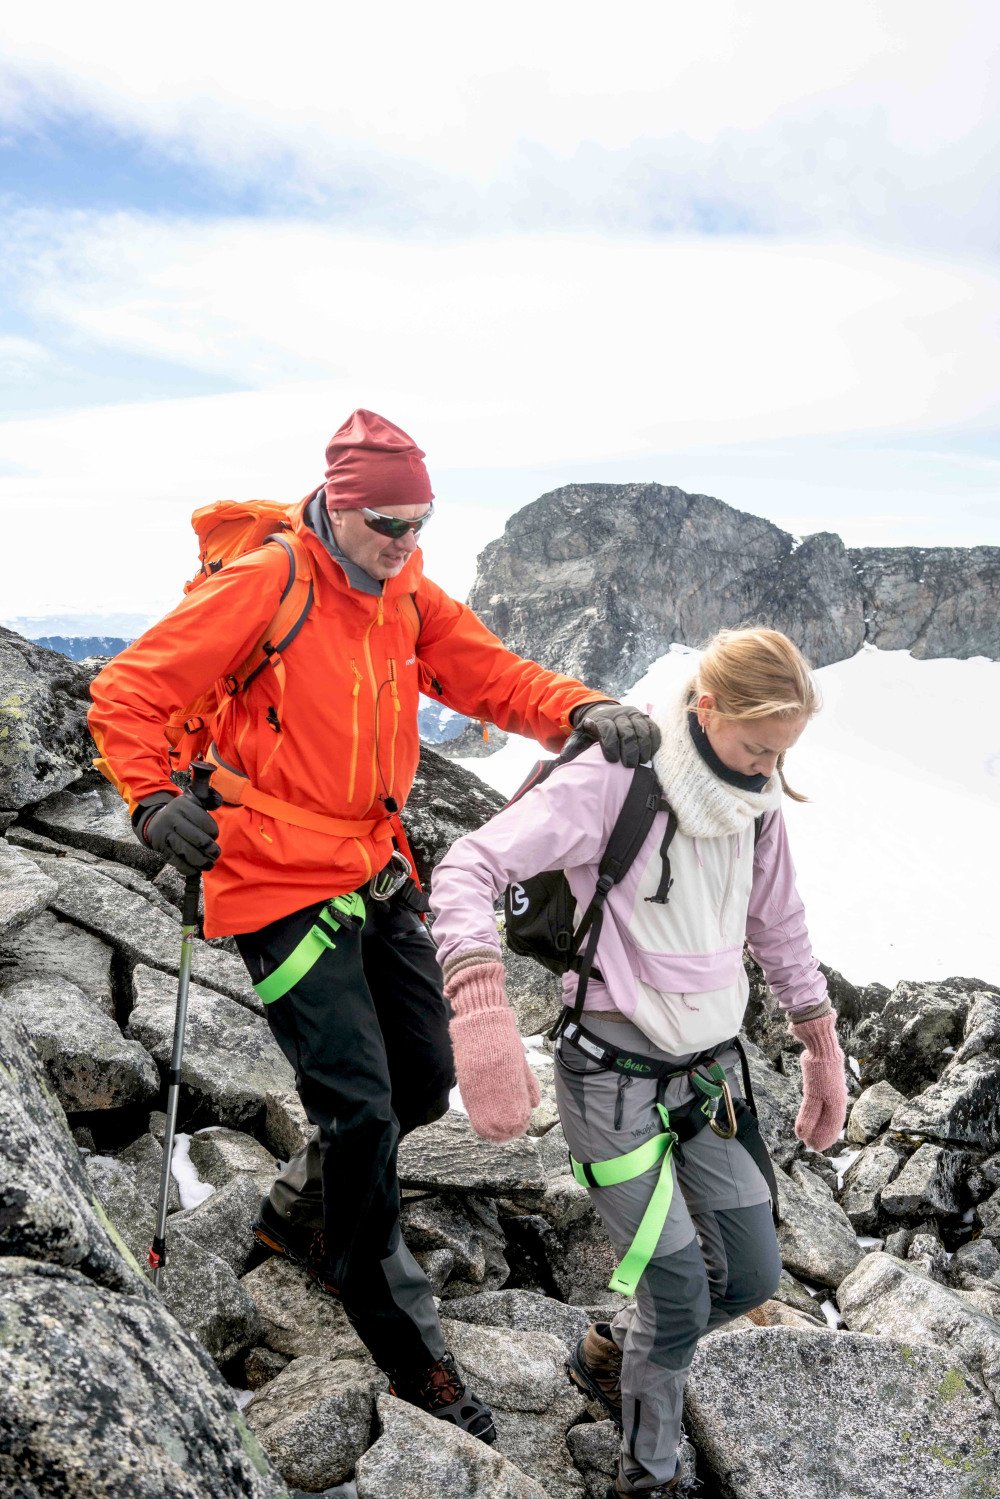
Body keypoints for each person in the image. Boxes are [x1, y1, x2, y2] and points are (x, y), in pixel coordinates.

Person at [88, 408, 659, 1444]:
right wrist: (145, 798)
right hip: (268, 870)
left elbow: (488, 675)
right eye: (389, 522)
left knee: (424, 1076)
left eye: (421, 521)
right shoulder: (267, 581)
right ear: (340, 506)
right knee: (356, 1106)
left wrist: (581, 706)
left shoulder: (404, 590)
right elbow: (128, 688)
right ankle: (388, 1314)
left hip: (367, 860)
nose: (405, 541)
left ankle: (303, 1211)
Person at [428, 627, 848, 1494]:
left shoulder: (756, 801)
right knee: (684, 1293)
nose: (769, 766)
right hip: (609, 1079)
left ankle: (611, 1350)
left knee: (752, 1274)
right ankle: (647, 1473)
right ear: (706, 707)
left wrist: (821, 1044)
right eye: (757, 744)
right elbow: (468, 864)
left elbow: (779, 925)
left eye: (784, 751)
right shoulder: (616, 778)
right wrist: (481, 1003)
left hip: (709, 1077)